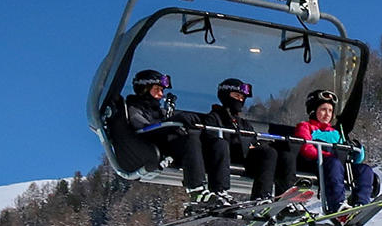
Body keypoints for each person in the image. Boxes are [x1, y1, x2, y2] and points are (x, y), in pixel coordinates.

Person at [110, 70, 212, 198]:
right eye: (157, 89)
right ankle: (196, 189)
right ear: (144, 89)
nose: (160, 94)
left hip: (167, 145)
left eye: (162, 90)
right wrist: (174, 122)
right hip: (147, 149)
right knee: (189, 140)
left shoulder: (158, 111)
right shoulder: (134, 108)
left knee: (202, 138)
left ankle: (215, 188)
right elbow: (143, 128)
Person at [201, 77, 297, 202]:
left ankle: (279, 198)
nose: (240, 100)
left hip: (245, 158)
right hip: (224, 156)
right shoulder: (214, 117)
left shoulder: (243, 123)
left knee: (277, 154)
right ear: (226, 95)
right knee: (267, 153)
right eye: (236, 96)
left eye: (242, 98)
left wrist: (260, 145)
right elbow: (212, 139)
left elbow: (252, 139)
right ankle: (256, 196)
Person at [295, 90, 377, 213]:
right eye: (323, 109)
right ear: (313, 110)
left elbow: (356, 158)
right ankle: (337, 205)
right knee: (334, 163)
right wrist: (327, 155)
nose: (327, 114)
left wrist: (357, 149)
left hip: (340, 168)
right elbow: (306, 148)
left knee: (365, 169)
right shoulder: (305, 127)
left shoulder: (337, 132)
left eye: (330, 111)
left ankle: (361, 203)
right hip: (318, 166)